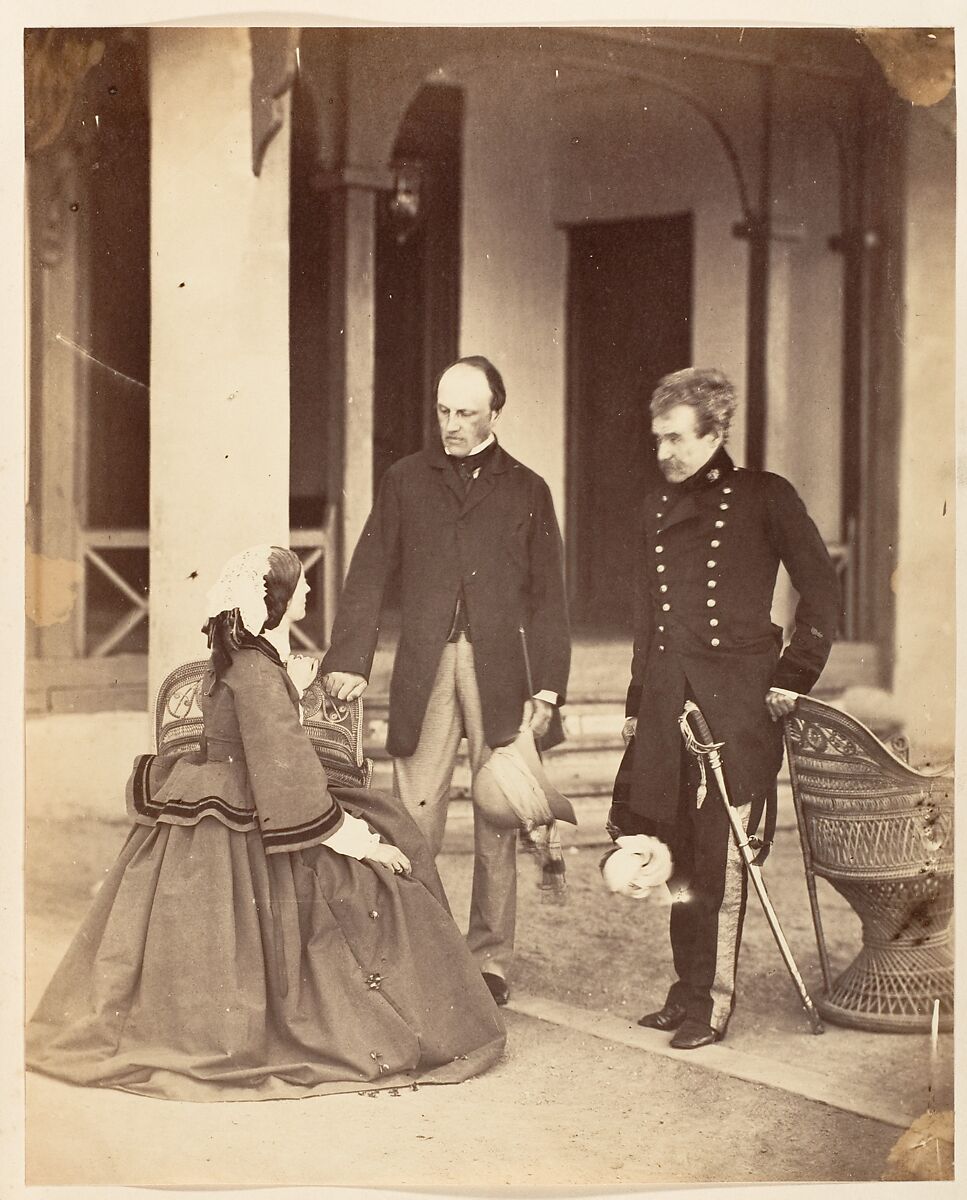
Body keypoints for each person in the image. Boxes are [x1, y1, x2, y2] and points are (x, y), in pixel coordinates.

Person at [26, 545, 506, 1100]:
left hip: (226, 794)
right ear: (275, 600)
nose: (306, 593)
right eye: (299, 586)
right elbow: (288, 777)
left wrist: (288, 689)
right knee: (389, 869)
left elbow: (263, 732)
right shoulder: (255, 671)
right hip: (264, 805)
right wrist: (363, 842)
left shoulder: (243, 660)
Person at [321, 356, 570, 1006]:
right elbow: (370, 569)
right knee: (413, 816)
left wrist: (547, 687)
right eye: (442, 411)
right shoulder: (406, 479)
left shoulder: (527, 489)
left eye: (465, 413)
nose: (452, 425)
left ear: (494, 412)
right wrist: (349, 658)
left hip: (499, 673)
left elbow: (549, 598)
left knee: (498, 815)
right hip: (424, 668)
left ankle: (489, 962)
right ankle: (421, 949)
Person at [608, 367, 840, 1050]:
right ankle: (684, 993)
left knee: (722, 854)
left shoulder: (763, 496)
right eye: (656, 441)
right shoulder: (652, 505)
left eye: (675, 439)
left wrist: (792, 678)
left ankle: (713, 1002)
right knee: (673, 849)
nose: (664, 453)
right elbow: (647, 616)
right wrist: (634, 700)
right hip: (667, 698)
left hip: (737, 703)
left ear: (716, 431)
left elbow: (820, 591)